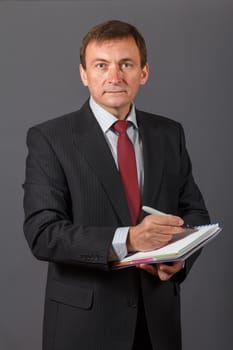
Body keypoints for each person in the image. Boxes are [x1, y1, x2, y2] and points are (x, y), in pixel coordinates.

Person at [23, 20, 210, 350]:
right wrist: (129, 239)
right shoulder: (50, 139)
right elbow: (43, 233)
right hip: (84, 326)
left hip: (158, 324)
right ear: (84, 74)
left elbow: (193, 211)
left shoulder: (169, 134)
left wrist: (180, 258)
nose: (115, 76)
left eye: (126, 64)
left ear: (144, 72)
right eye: (101, 65)